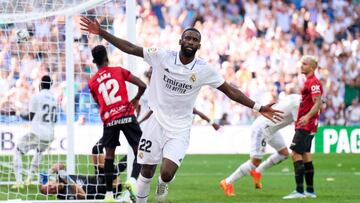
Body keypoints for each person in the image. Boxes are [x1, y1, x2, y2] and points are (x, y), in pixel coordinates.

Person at [80, 17, 283, 203]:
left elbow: (230, 91)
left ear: (199, 46)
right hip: (156, 122)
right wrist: (103, 33)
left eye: (195, 40)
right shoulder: (161, 56)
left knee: (166, 173)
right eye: (188, 38)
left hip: (180, 129)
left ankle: (163, 184)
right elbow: (131, 47)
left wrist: (258, 107)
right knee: (147, 169)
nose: (191, 42)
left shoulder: (204, 70)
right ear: (180, 41)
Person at [88, 45, 146, 202]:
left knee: (109, 157)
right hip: (126, 115)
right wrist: (136, 99)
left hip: (110, 119)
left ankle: (108, 195)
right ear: (107, 58)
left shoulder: (92, 81)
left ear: (94, 61)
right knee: (140, 151)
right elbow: (142, 85)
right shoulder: (119, 71)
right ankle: (132, 181)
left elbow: (98, 102)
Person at [220, 93, 301, 196]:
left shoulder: (295, 97)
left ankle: (257, 172)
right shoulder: (297, 104)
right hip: (263, 128)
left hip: (272, 128)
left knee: (284, 153)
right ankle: (227, 182)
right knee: (255, 162)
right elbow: (299, 125)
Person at [283, 55, 323, 199]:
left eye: (304, 64)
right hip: (308, 124)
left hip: (306, 124)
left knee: (294, 153)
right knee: (305, 154)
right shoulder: (311, 82)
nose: (301, 66)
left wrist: (307, 117)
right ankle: (310, 191)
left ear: (311, 67)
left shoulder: (313, 82)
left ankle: (299, 191)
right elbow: (319, 102)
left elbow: (317, 102)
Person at [12, 75, 57, 189]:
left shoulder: (37, 97)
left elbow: (30, 117)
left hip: (37, 132)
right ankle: (29, 179)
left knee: (18, 151)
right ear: (50, 86)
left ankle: (19, 182)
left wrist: (18, 113)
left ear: (40, 85)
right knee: (39, 152)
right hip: (50, 134)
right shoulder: (54, 99)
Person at [39, 163, 123, 200]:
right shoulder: (64, 196)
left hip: (100, 178)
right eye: (51, 191)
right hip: (107, 191)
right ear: (52, 194)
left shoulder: (60, 177)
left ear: (50, 181)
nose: (53, 187)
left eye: (50, 186)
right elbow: (83, 196)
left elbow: (61, 165)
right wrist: (68, 180)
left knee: (96, 151)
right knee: (112, 171)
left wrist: (49, 171)